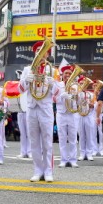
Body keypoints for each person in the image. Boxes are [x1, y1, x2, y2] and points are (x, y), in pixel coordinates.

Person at [20, 40, 62, 182]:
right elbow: (20, 90)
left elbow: (59, 94)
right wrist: (26, 80)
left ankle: (48, 171)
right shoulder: (27, 69)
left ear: (47, 54)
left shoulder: (53, 71)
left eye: (44, 52)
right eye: (38, 52)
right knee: (34, 141)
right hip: (32, 108)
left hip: (46, 108)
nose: (41, 55)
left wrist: (53, 84)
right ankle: (38, 170)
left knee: (47, 141)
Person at [56, 65, 80, 168]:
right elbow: (53, 99)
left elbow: (79, 101)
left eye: (70, 74)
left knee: (73, 137)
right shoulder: (58, 85)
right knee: (62, 138)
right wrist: (61, 96)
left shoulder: (75, 86)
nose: (68, 75)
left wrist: (77, 96)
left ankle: (73, 160)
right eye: (66, 73)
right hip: (61, 113)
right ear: (62, 75)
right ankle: (64, 160)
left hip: (72, 114)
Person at [76, 77, 97, 162]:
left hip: (89, 116)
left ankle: (89, 153)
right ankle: (82, 153)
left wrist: (93, 105)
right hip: (80, 116)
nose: (83, 85)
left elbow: (96, 104)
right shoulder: (76, 94)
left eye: (84, 83)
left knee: (89, 135)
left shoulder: (91, 94)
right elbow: (73, 103)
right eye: (81, 83)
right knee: (81, 135)